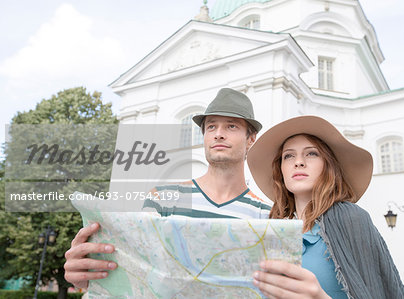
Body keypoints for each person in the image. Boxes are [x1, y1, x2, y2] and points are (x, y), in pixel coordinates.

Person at [64, 88, 272, 289]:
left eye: (231, 126)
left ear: (250, 139)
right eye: (211, 127)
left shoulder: (266, 215)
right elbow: (139, 269)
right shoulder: (163, 198)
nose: (218, 134)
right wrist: (91, 278)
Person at [247, 115, 404, 299]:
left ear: (328, 166)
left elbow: (378, 290)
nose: (298, 162)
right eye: (289, 155)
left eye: (311, 153)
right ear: (281, 170)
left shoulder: (351, 217)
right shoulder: (275, 230)